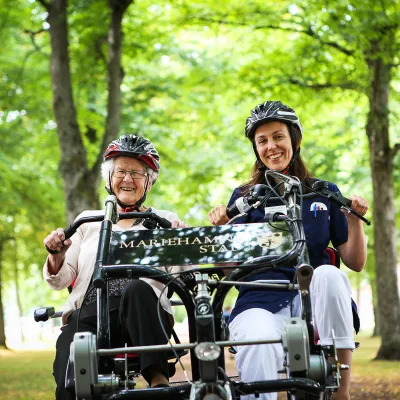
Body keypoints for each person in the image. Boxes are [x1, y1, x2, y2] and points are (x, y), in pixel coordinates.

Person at [208, 101, 368, 400]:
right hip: (261, 298)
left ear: (294, 139)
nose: (271, 146)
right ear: (256, 149)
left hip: (315, 303)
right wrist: (221, 232)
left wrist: (354, 221)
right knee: (256, 336)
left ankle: (341, 392)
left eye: (278, 136)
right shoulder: (243, 198)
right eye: (262, 141)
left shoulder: (324, 191)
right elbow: (230, 272)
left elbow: (355, 263)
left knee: (329, 275)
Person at [43, 134, 188, 399]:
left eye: (137, 173)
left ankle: (158, 381)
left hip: (145, 311)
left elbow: (180, 278)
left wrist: (180, 244)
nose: (128, 179)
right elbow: (59, 280)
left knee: (136, 288)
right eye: (120, 171)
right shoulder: (87, 222)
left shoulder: (164, 220)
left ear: (149, 181)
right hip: (90, 313)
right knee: (69, 368)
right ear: (109, 178)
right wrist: (56, 255)